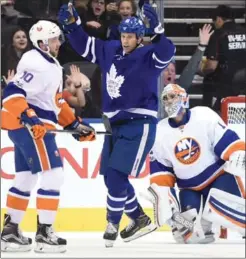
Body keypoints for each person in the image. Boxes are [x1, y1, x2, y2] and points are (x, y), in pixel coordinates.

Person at [58, 2, 175, 247]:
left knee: (116, 175)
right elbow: (85, 45)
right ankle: (138, 217)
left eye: (130, 36)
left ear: (139, 37)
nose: (125, 40)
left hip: (139, 122)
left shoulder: (148, 55)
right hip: (114, 124)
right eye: (123, 35)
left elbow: (167, 52)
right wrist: (73, 26)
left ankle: (112, 221)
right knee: (110, 178)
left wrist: (159, 31)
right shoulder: (110, 49)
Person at [1, 20, 95, 253]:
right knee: (54, 175)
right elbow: (11, 93)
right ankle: (44, 233)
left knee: (25, 178)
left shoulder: (49, 64)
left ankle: (10, 232)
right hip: (31, 127)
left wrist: (74, 124)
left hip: (23, 125)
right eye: (54, 39)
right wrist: (31, 119)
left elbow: (54, 103)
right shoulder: (36, 63)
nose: (58, 43)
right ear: (42, 43)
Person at [146, 83, 245, 244]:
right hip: (189, 188)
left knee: (236, 215)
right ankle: (204, 225)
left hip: (218, 178)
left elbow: (225, 141)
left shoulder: (204, 115)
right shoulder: (159, 132)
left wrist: (237, 152)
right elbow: (162, 171)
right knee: (188, 236)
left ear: (184, 98)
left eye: (173, 96)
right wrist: (163, 197)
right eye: (165, 98)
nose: (169, 101)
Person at [200, 5, 246, 112]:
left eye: (214, 21)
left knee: (216, 117)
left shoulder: (218, 35)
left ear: (219, 19)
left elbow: (211, 66)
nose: (215, 24)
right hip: (243, 90)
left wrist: (201, 69)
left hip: (223, 89)